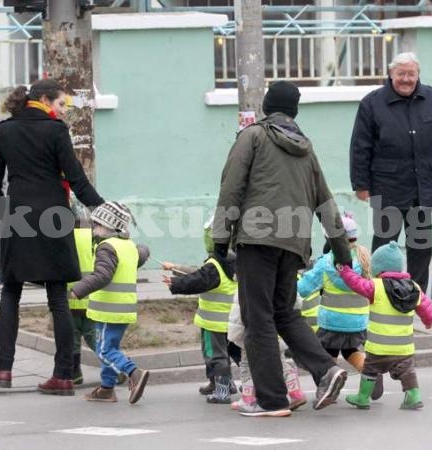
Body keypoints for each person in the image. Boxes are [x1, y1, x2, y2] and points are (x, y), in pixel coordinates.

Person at [212, 80, 353, 417]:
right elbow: (326, 200)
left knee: (257, 317)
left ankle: (271, 400)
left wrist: (220, 239)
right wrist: (342, 252)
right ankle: (326, 370)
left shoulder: (253, 137)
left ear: (266, 106)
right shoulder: (306, 147)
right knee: (284, 313)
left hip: (256, 241)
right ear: (294, 110)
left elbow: (231, 188)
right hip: (294, 244)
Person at [0, 79, 105, 395]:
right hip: (55, 214)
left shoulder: (6, 130)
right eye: (61, 104)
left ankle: (2, 369)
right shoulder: (56, 131)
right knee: (58, 296)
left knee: (11, 292)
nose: (62, 110)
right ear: (46, 101)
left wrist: (3, 213)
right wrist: (103, 209)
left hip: (16, 214)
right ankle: (62, 376)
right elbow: (77, 180)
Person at [349, 52, 432, 292]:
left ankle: (415, 295)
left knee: (421, 246)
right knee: (384, 246)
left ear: (418, 75)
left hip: (424, 186)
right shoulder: (372, 103)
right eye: (401, 74)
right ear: (391, 74)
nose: (406, 79)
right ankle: (380, 292)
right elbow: (360, 146)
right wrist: (361, 185)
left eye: (411, 74)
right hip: (388, 186)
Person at [336, 241, 432, 410]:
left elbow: (356, 283)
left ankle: (363, 397)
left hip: (378, 347)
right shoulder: (415, 288)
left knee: (370, 369)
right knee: (407, 371)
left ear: (378, 268)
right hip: (403, 348)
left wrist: (345, 271)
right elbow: (427, 309)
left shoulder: (376, 287)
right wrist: (428, 322)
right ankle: (413, 396)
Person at [68, 201, 151, 403]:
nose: (94, 229)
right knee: (110, 346)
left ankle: (133, 372)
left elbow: (102, 275)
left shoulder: (107, 247)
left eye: (97, 225)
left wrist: (78, 290)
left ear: (109, 226)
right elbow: (141, 255)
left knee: (105, 350)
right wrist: (145, 251)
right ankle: (106, 388)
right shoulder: (128, 246)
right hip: (124, 309)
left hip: (108, 310)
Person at [297, 212, 383, 400]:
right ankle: (369, 371)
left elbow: (304, 288)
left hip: (331, 323)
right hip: (359, 323)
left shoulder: (326, 263)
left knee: (325, 355)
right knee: (351, 351)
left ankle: (330, 387)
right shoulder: (365, 259)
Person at [164, 242, 238, 404]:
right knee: (233, 354)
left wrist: (175, 283)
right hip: (233, 321)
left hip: (213, 322)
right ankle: (227, 384)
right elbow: (200, 274)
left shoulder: (215, 264)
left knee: (215, 355)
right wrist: (175, 268)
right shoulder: (237, 261)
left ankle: (222, 391)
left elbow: (198, 279)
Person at [67, 197, 97, 385]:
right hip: (92, 298)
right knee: (95, 338)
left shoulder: (64, 236)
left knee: (72, 339)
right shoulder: (96, 236)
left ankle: (74, 373)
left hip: (69, 298)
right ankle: (117, 368)